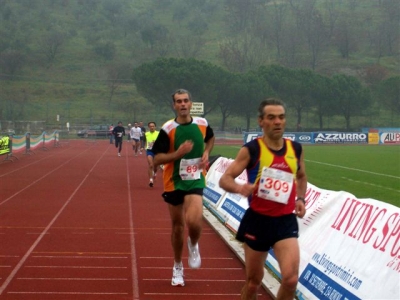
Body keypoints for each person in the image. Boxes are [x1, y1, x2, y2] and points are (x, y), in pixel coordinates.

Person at [219, 98, 307, 300]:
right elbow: (225, 179)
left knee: (291, 280)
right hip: (257, 222)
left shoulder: (296, 149)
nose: (277, 122)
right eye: (271, 117)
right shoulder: (252, 150)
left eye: (281, 117)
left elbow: (301, 177)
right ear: (261, 121)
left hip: (285, 221)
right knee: (253, 283)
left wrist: (300, 199)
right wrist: (240, 187)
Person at [152, 88, 215, 287]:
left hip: (195, 178)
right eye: (178, 101)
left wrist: (206, 151)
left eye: (185, 100)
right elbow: (156, 160)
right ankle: (177, 265)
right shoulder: (168, 129)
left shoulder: (203, 124)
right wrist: (177, 153)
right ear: (174, 105)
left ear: (190, 103)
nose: (182, 104)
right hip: (174, 181)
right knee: (178, 227)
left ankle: (194, 243)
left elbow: (211, 139)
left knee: (194, 221)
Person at [145, 121, 160, 187]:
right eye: (150, 126)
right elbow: (143, 141)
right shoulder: (146, 134)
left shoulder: (159, 133)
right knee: (151, 165)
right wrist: (142, 147)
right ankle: (151, 180)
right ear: (148, 127)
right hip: (149, 151)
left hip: (157, 152)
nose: (152, 127)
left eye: (153, 126)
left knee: (156, 167)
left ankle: (155, 172)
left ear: (155, 127)